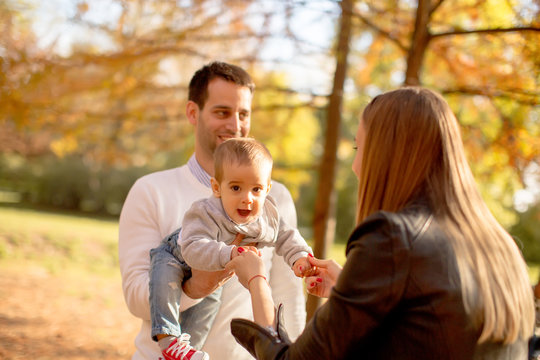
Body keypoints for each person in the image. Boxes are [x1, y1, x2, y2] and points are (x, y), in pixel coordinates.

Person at [227, 87, 535, 359]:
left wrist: (256, 280)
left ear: (385, 156)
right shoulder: (502, 248)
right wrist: (347, 294)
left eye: (359, 149)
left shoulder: (392, 238)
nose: (356, 166)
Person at [118, 61, 307, 360]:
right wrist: (196, 286)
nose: (235, 125)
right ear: (193, 113)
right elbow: (136, 299)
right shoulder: (151, 191)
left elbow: (289, 296)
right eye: (222, 112)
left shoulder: (274, 199)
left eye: (243, 114)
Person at [148, 138, 312, 359]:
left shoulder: (266, 218)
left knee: (207, 310)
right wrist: (230, 253)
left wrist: (299, 257)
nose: (247, 198)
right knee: (164, 283)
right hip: (176, 254)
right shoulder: (206, 212)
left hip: (212, 266)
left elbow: (287, 236)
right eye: (235, 188)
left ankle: (182, 353)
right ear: (217, 188)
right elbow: (192, 247)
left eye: (256, 189)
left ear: (267, 189)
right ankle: (167, 341)